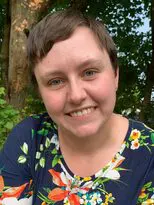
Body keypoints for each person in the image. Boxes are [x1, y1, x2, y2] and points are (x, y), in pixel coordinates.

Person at [0, 9, 154, 205]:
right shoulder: (30, 139)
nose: (76, 95)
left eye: (89, 72)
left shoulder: (149, 155)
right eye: (55, 81)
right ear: (40, 91)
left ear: (115, 74)